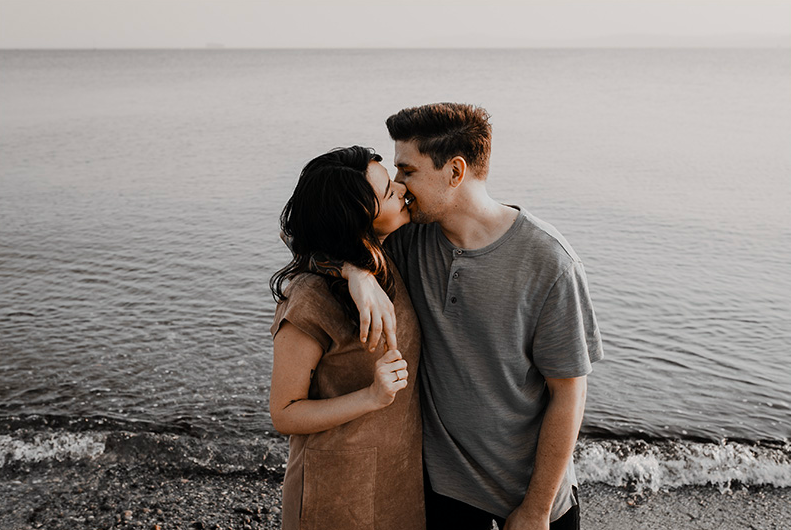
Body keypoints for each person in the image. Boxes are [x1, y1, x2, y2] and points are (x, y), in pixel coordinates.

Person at [310, 103, 604, 530]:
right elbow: (313, 234)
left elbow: (569, 394)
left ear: (455, 171)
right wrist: (355, 270)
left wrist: (536, 510)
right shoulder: (408, 237)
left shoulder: (550, 263)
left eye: (407, 170)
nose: (398, 185)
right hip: (443, 495)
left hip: (529, 497)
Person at [268, 146, 425, 530]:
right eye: (389, 192)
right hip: (335, 492)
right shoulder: (308, 298)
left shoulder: (388, 259)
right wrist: (370, 397)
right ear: (358, 222)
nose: (402, 190)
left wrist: (356, 269)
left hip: (400, 479)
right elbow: (284, 413)